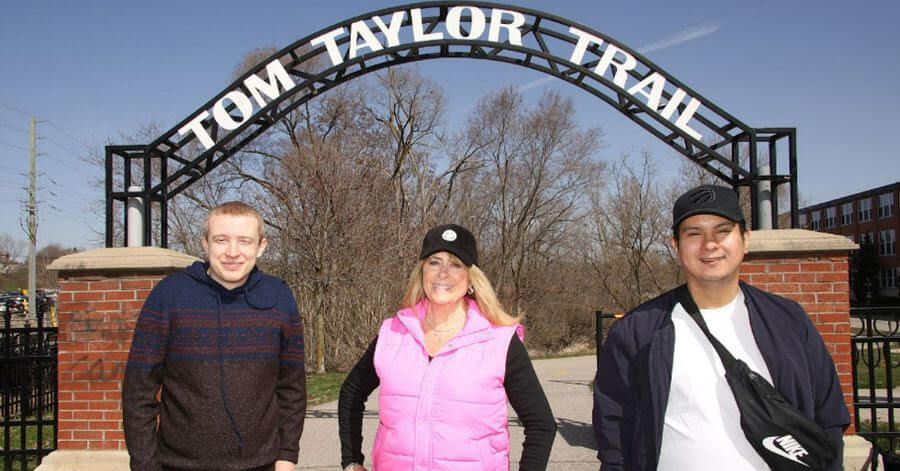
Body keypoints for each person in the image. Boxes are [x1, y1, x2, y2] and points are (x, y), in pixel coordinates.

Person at [592, 184, 850, 470]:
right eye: (694, 234)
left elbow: (829, 417)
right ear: (676, 245)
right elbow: (614, 434)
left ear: (745, 239)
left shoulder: (788, 320)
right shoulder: (637, 331)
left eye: (722, 231)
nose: (709, 244)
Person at [338, 223, 557, 471]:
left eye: (455, 264)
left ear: (471, 278)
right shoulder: (393, 333)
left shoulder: (499, 342)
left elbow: (542, 425)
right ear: (422, 272)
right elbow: (351, 393)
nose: (443, 272)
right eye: (434, 262)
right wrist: (352, 461)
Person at [123, 201, 306, 471]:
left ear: (261, 246)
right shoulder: (169, 295)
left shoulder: (278, 297)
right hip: (178, 465)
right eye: (221, 240)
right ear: (205, 243)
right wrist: (145, 465)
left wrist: (287, 455)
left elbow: (292, 388)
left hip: (262, 465)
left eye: (244, 241)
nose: (233, 252)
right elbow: (138, 391)